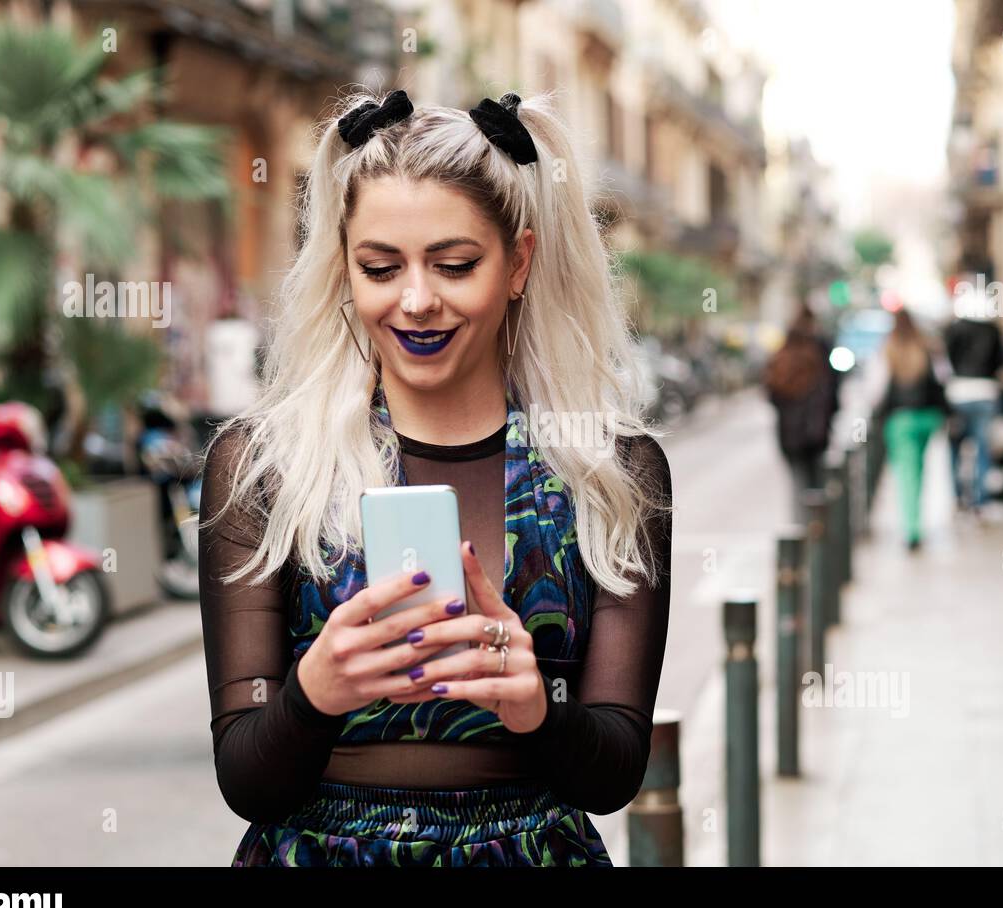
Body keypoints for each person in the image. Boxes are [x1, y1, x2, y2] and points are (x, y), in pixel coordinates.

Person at [198, 89, 674, 867]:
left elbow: (615, 769)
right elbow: (247, 779)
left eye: (454, 265)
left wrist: (537, 708)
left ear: (519, 262)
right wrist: (313, 693)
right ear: (344, 269)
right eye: (379, 266)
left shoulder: (612, 472)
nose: (417, 300)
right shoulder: (264, 467)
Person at [872, 307, 948, 551]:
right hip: (926, 417)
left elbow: (876, 387)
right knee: (917, 469)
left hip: (900, 420)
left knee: (906, 473)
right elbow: (942, 377)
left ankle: (912, 528)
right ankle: (915, 523)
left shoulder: (888, 349)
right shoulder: (925, 347)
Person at [764, 305, 839, 519]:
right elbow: (832, 391)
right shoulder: (819, 350)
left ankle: (801, 529)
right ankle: (815, 535)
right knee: (817, 486)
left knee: (798, 485)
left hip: (789, 435)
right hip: (816, 432)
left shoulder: (782, 354)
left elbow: (772, 395)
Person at [943, 305, 1003, 517]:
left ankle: (959, 495)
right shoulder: (993, 330)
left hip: (959, 392)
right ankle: (980, 499)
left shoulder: (954, 329)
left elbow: (946, 361)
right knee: (982, 448)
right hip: (985, 392)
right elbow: (1000, 362)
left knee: (955, 447)